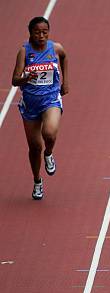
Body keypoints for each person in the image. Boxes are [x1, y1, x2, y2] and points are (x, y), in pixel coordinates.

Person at [11, 16, 68, 200]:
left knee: (49, 134)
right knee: (35, 147)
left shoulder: (56, 48)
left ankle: (49, 154)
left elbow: (65, 57)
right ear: (30, 33)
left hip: (51, 99)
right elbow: (14, 80)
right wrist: (26, 78)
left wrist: (65, 82)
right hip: (30, 104)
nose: (41, 36)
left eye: (45, 32)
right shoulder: (24, 51)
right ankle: (37, 181)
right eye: (37, 32)